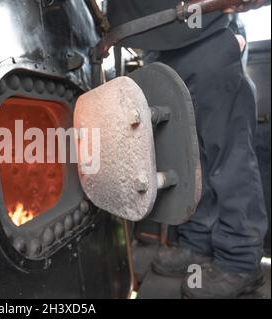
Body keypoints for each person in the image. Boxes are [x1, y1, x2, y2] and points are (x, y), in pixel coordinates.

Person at [107, 0, 269, 298]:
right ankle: (198, 244)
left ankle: (240, 259)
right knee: (189, 158)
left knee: (228, 157)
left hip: (206, 34)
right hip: (158, 46)